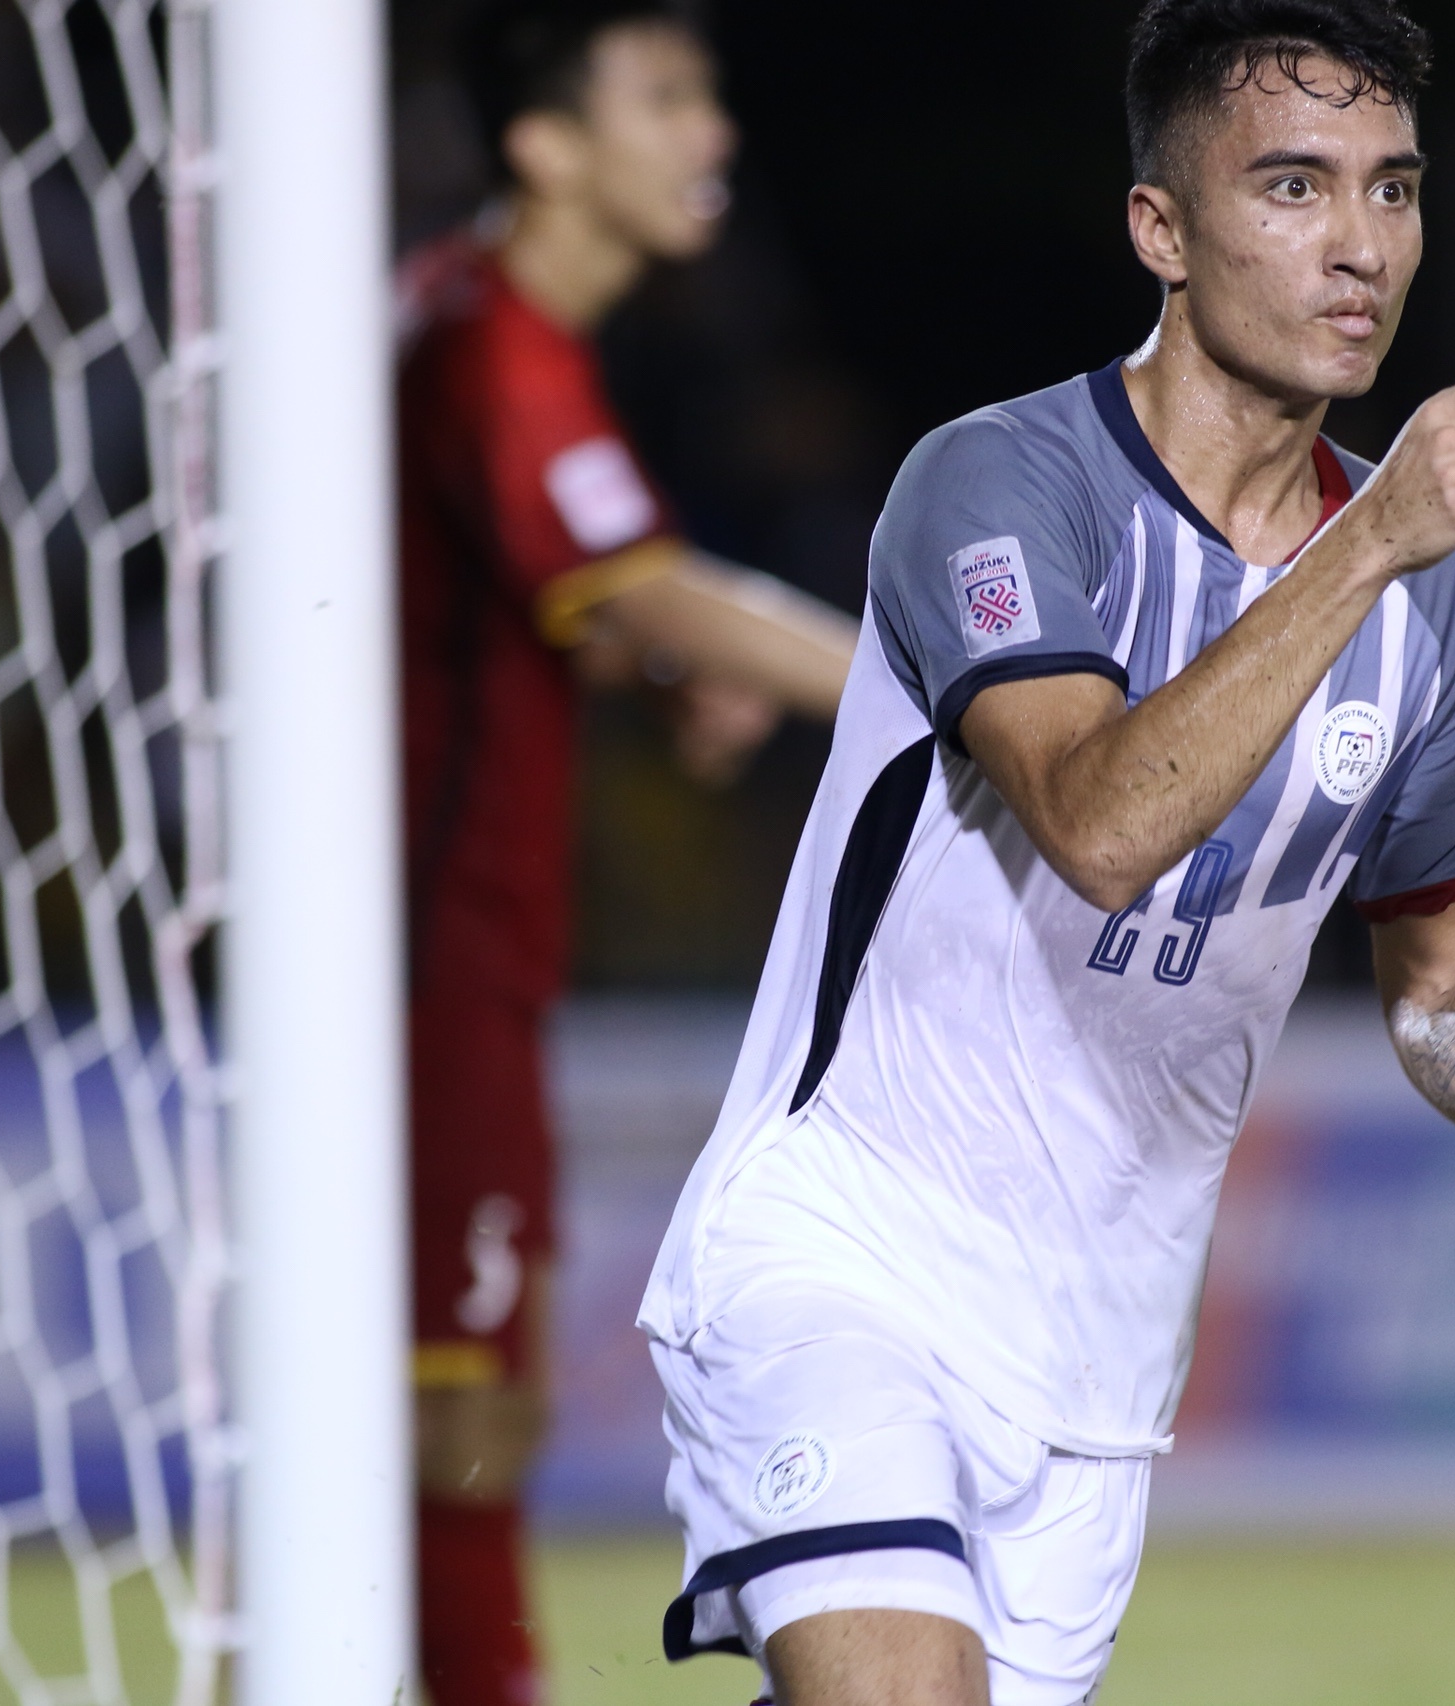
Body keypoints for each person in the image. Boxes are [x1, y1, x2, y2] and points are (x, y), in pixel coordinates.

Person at [636, 1, 1455, 1702]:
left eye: (1392, 191)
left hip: (1095, 1368)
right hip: (840, 1255)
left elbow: (1444, 980)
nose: (1359, 247)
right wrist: (1370, 539)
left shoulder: (1444, 592)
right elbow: (1099, 822)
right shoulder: (1001, 485)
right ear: (1160, 230)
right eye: (1296, 189)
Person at [396, 3, 858, 1701]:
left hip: (433, 935)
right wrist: (927, 685)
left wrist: (642, 663)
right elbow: (654, 581)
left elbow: (514, 598)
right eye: (666, 97)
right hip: (437, 949)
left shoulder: (449, 316)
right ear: (546, 146)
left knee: (447, 1372)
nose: (712, 133)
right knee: (460, 1383)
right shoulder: (499, 346)